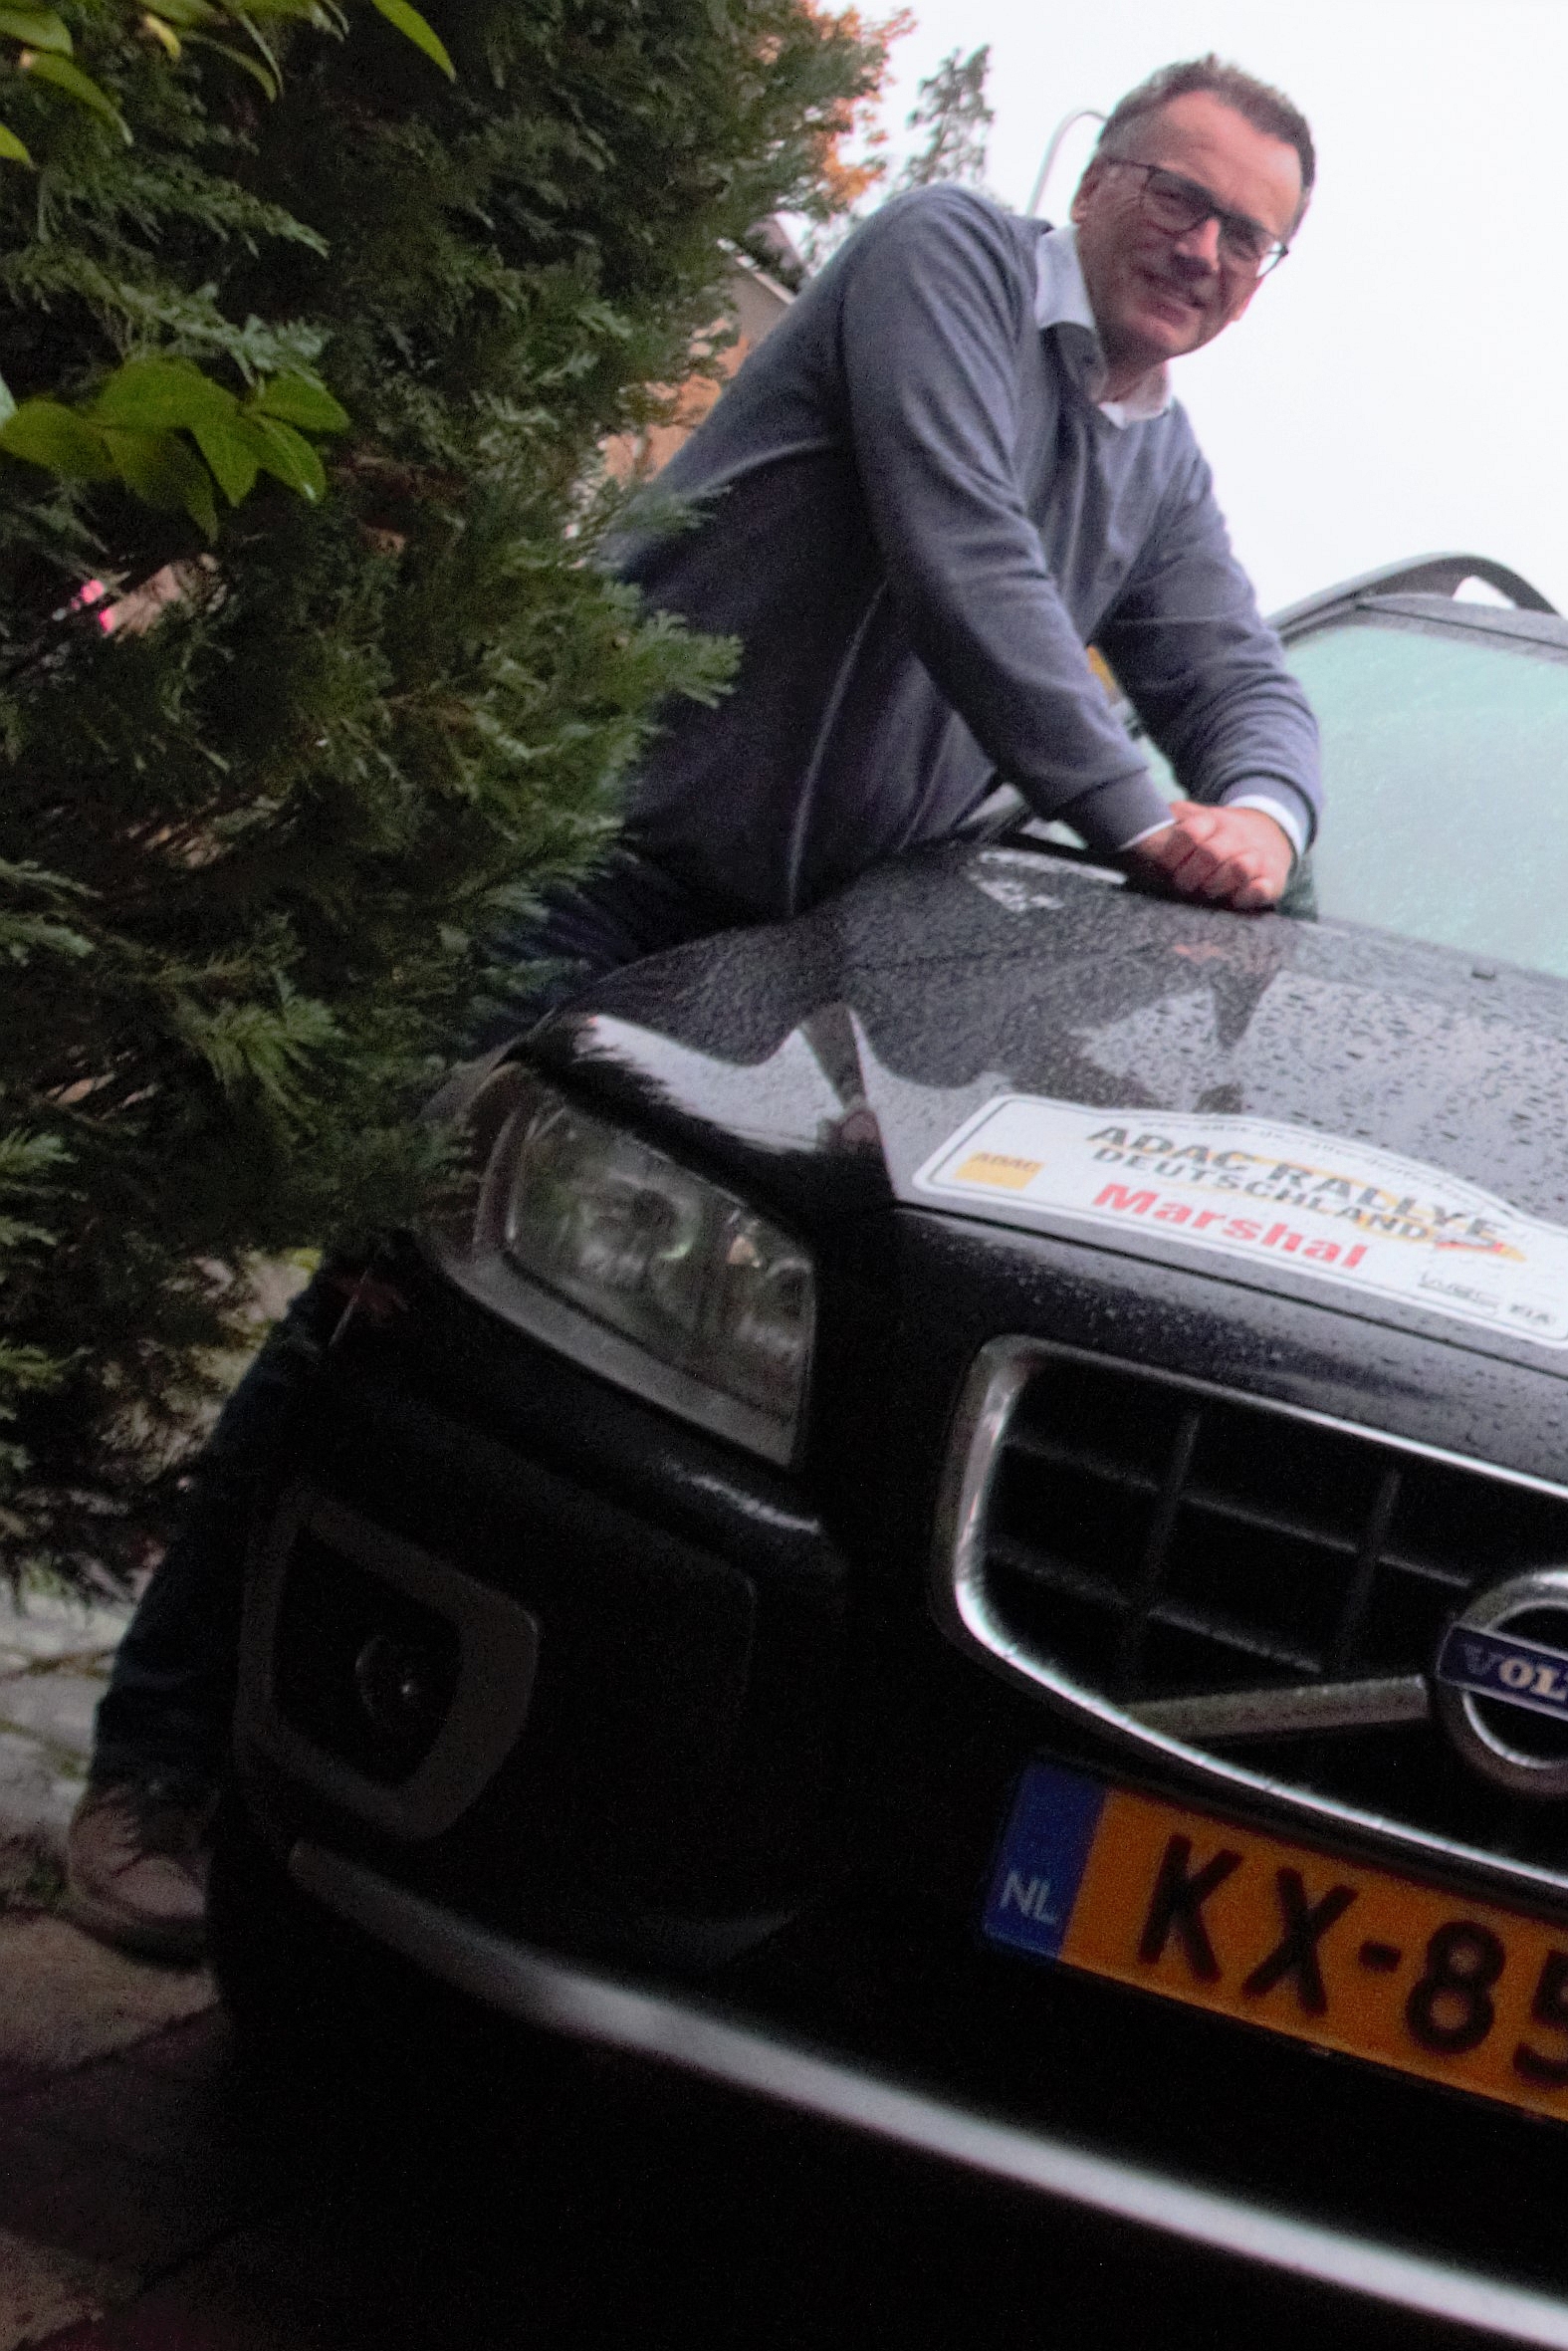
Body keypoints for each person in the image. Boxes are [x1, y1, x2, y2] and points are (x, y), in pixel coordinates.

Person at [63, 56, 1329, 1963]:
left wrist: (1266, 810)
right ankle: (159, 1768)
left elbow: (1242, 671)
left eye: (1252, 238)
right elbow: (963, 545)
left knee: (597, 1385)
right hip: (598, 857)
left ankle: (418, 1786)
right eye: (1182, 195)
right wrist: (1148, 815)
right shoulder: (945, 265)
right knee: (389, 1303)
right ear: (1102, 178)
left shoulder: (1155, 463)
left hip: (775, 977)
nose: (1206, 250)